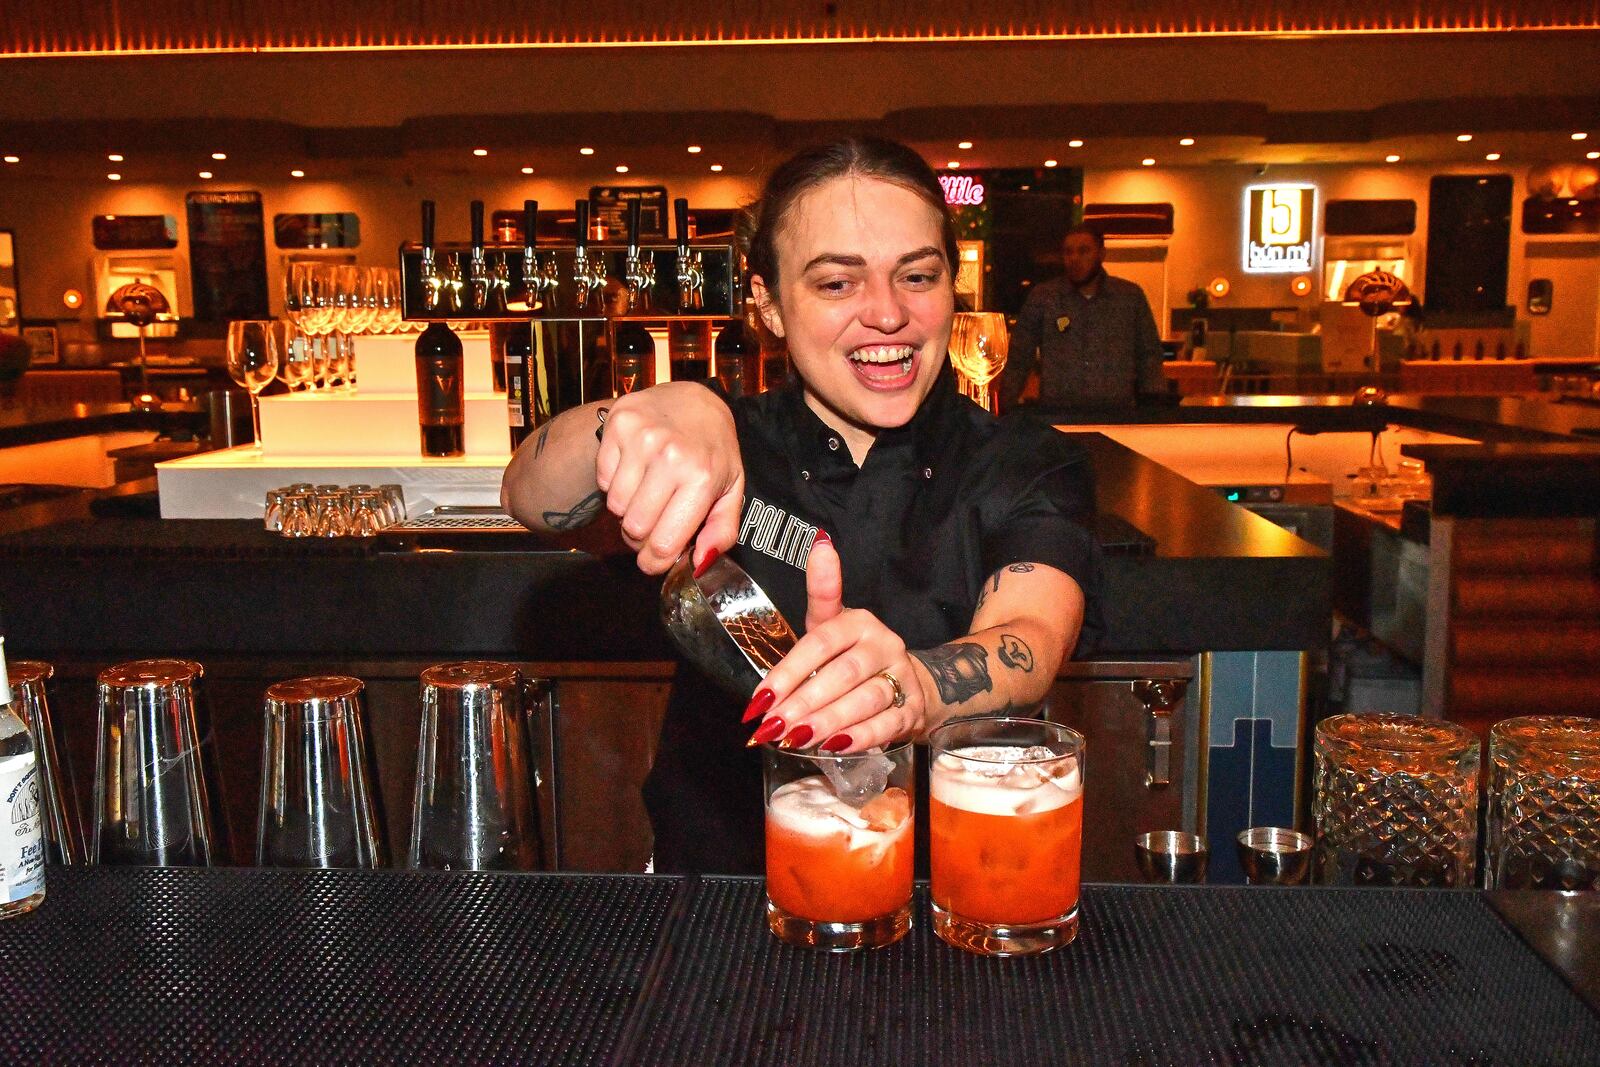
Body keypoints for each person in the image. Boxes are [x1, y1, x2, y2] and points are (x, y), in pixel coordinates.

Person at [501, 137, 1102, 874]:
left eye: (917, 274)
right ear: (769, 306)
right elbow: (530, 495)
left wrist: (912, 687)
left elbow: (1032, 635)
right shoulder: (723, 449)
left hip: (952, 897)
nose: (888, 314)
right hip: (719, 893)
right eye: (836, 284)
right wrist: (654, 411)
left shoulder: (1024, 458)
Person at [997, 223, 1166, 411]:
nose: (1074, 258)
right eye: (1068, 252)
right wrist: (1005, 408)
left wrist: (1153, 407)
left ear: (1101, 254)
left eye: (1084, 251)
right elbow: (1019, 357)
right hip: (1058, 415)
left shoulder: (1129, 297)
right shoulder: (1045, 297)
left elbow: (1149, 355)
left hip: (1116, 414)